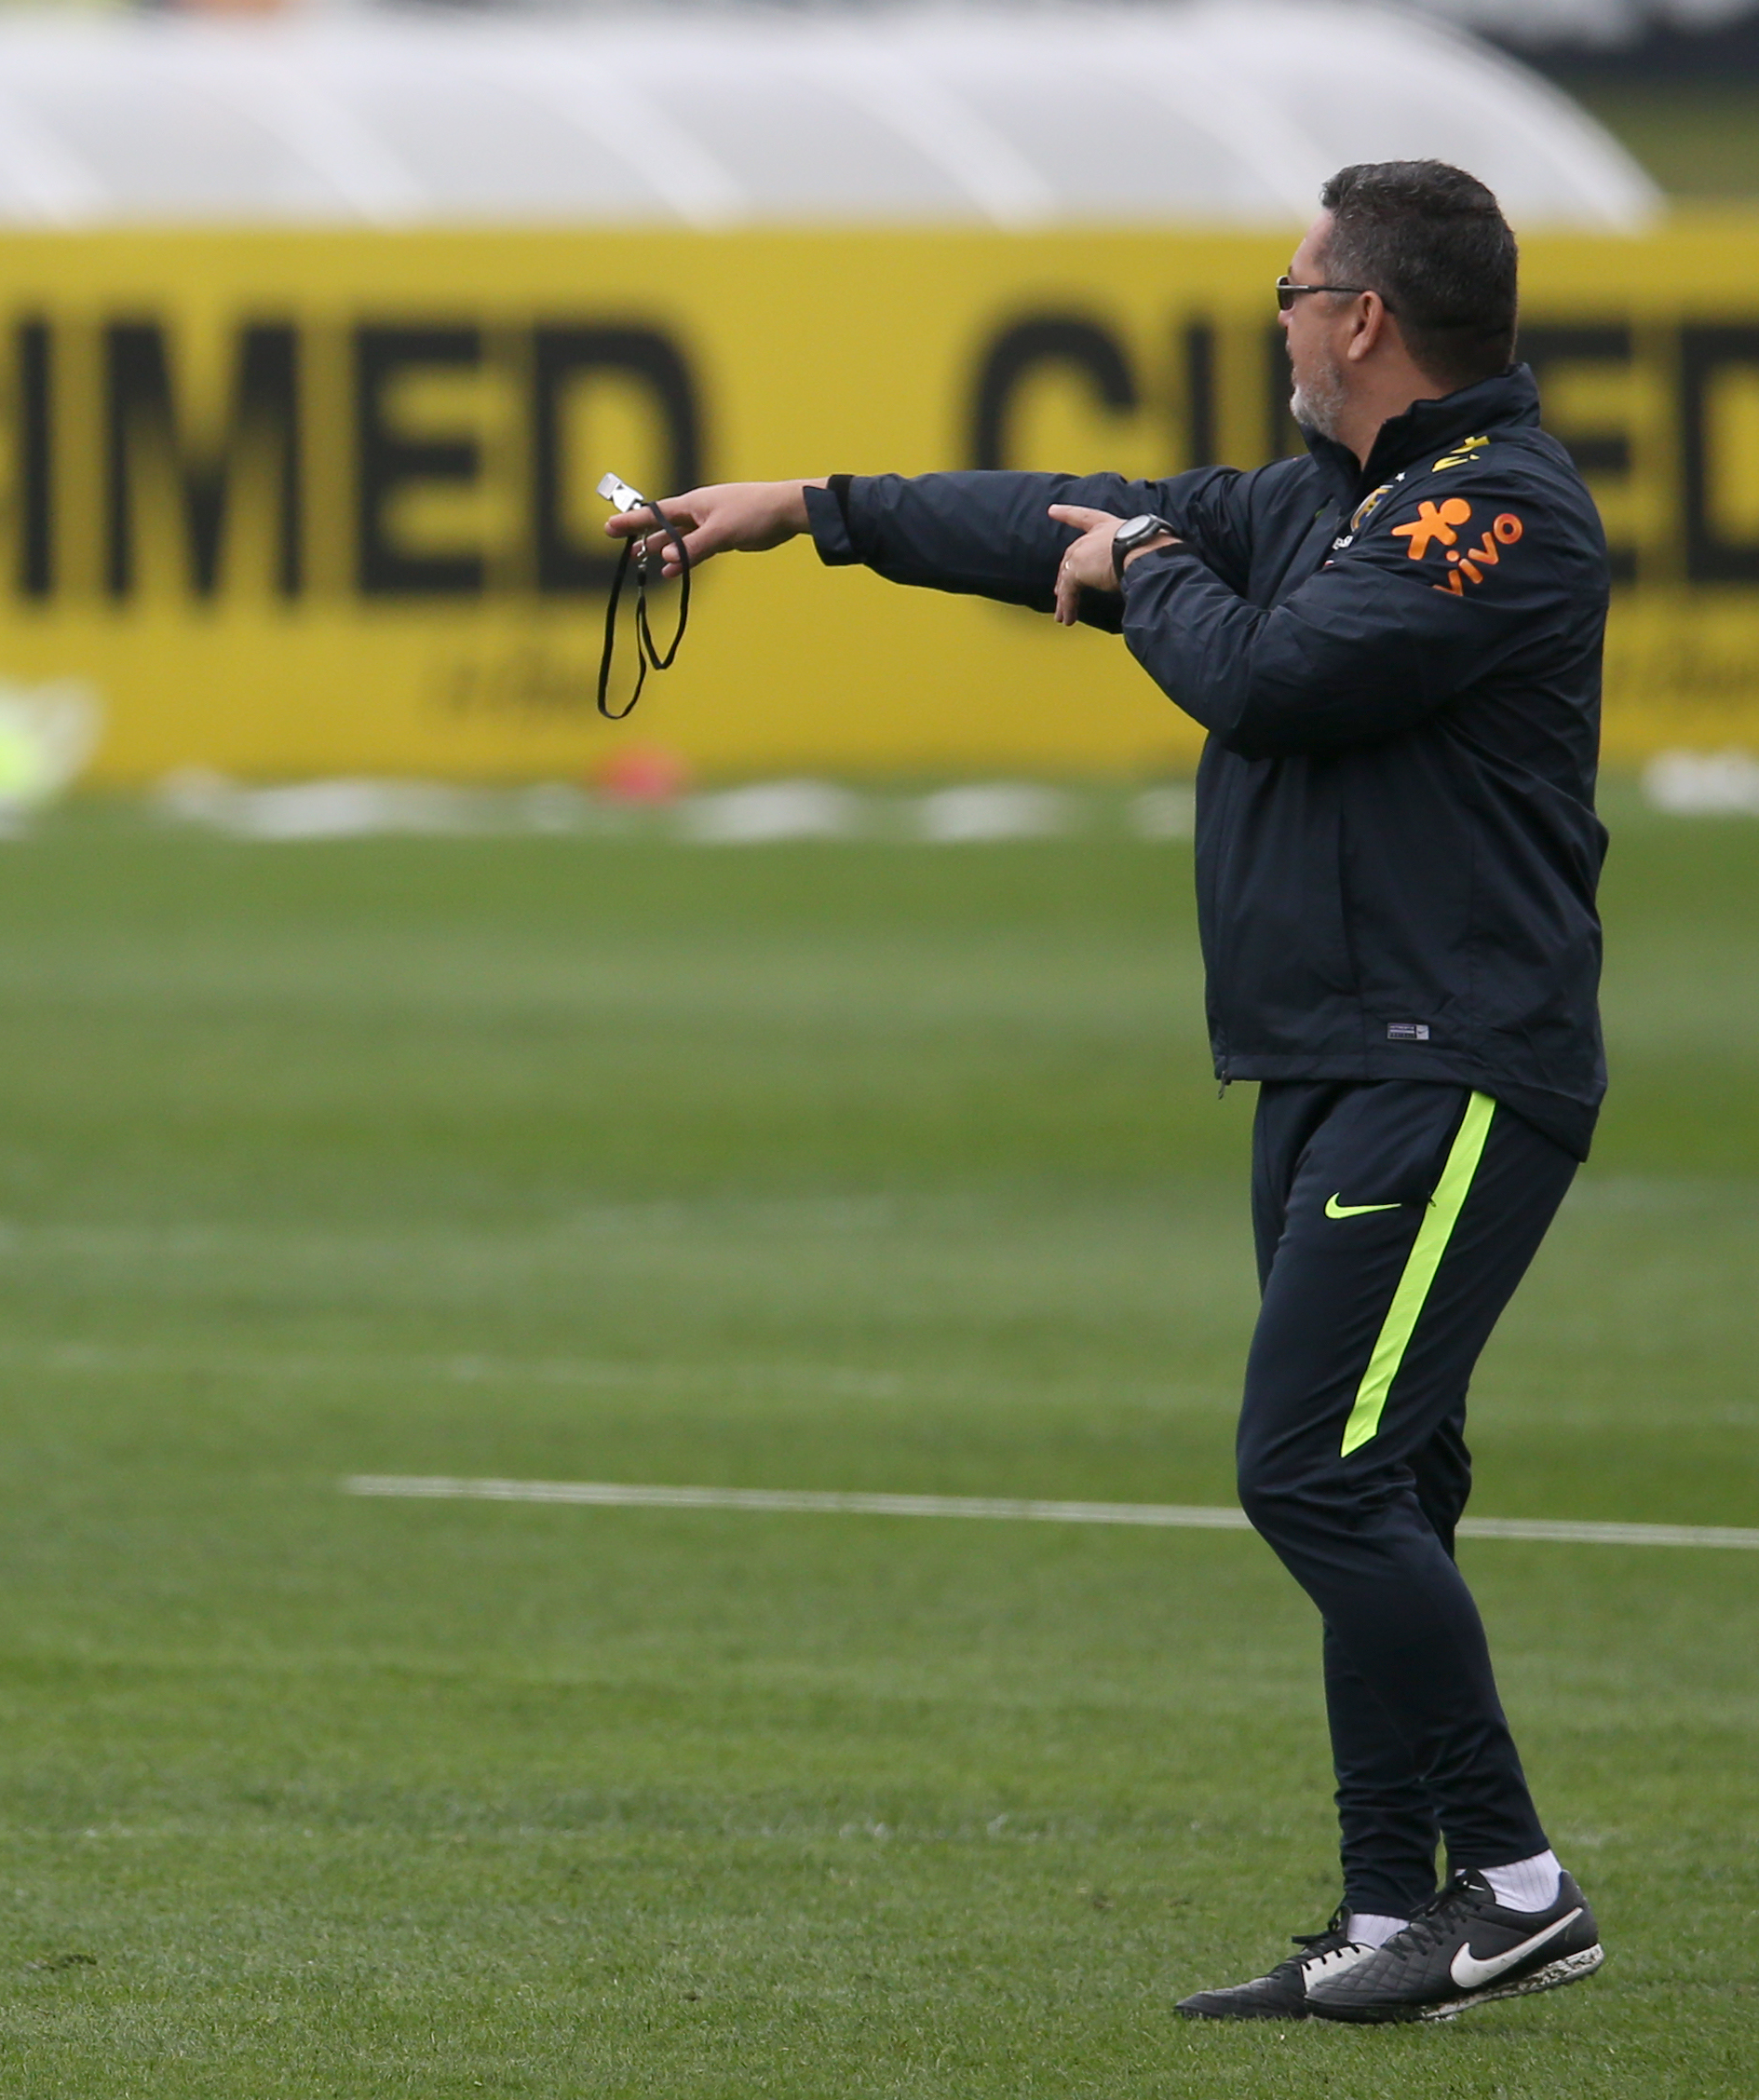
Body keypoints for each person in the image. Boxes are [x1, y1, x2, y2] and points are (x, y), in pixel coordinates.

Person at [612, 161, 1607, 2025]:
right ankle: (1395, 1914)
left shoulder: (1493, 516)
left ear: (1366, 319)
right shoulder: (1335, 500)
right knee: (1386, 1485)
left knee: (1311, 1472)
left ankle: (1524, 1885)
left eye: (1296, 293)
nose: (1283, 321)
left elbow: (1281, 680)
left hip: (1453, 1063)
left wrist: (1141, 580)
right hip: (1324, 1060)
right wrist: (804, 513)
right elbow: (1054, 515)